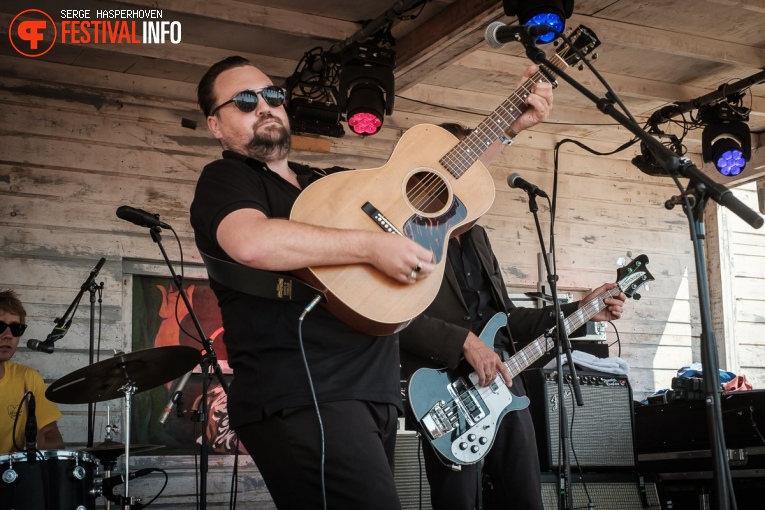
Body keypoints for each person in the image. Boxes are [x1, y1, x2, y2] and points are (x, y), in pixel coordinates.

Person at [190, 55, 443, 509]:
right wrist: (372, 247)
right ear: (215, 125)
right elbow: (251, 242)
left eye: (273, 96)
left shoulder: (323, 184)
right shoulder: (225, 178)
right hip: (305, 394)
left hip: (372, 390)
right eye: (245, 101)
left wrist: (507, 131)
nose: (264, 106)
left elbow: (439, 183)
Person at [399, 121, 628, 510]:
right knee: (457, 502)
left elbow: (507, 320)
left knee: (525, 497)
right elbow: (395, 318)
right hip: (444, 391)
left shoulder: (478, 237)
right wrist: (463, 342)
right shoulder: (407, 233)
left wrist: (584, 308)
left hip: (507, 384)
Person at [0, 289, 65, 454]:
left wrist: (36, 443)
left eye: (16, 328)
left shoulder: (28, 378)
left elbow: (56, 442)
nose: (8, 335)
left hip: (15, 477)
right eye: (0, 326)